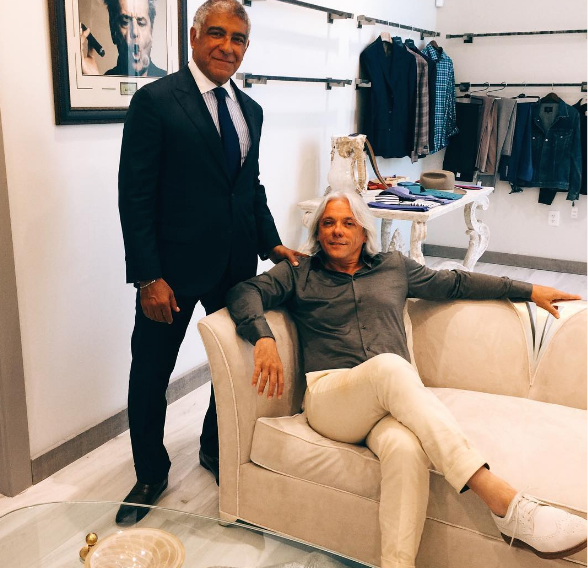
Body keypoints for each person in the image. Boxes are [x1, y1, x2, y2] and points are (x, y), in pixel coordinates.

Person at [226, 191, 587, 568]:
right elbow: (244, 292)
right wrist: (263, 337)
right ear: (318, 232)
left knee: (406, 450)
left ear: (364, 233)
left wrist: (529, 290)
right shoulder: (299, 271)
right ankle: (504, 501)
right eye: (328, 223)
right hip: (332, 400)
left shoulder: (393, 267)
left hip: (389, 404)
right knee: (391, 367)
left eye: (348, 223)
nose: (337, 231)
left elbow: (455, 283)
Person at [116, 0, 303, 525]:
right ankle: (150, 472)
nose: (227, 46)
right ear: (195, 37)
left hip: (235, 266)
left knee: (233, 366)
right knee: (151, 373)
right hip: (170, 273)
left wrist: (271, 244)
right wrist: (148, 277)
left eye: (237, 38)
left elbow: (248, 187)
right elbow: (135, 195)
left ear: (246, 47)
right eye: (217, 34)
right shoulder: (156, 102)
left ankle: (212, 446)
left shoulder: (250, 110)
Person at [81, 0, 166, 77]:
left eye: (141, 23)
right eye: (125, 22)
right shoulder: (104, 81)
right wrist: (94, 82)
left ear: (151, 30)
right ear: (113, 31)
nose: (135, 32)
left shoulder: (168, 83)